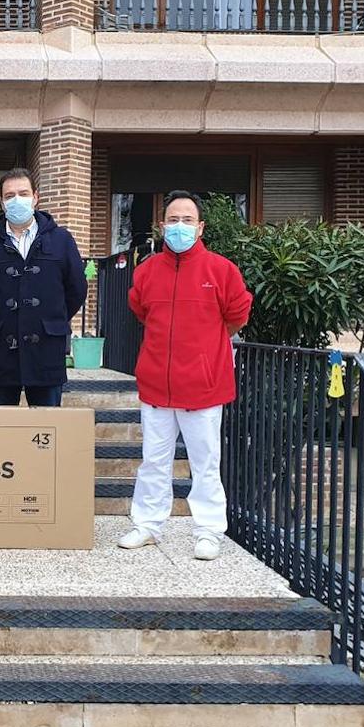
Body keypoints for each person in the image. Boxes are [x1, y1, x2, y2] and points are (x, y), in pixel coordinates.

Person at [118, 190, 252, 561]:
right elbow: (141, 311)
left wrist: (206, 351)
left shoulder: (222, 271)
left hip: (204, 386)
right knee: (153, 461)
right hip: (156, 383)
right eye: (173, 220)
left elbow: (237, 315)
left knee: (205, 463)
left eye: (187, 220)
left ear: (200, 226)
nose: (180, 227)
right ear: (161, 226)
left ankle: (209, 531)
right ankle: (146, 524)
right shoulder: (145, 272)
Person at [0, 168, 87, 407]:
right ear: (1, 202)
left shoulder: (61, 240)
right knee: (0, 432)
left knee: (46, 433)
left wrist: (48, 318)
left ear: (36, 197)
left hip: (46, 350)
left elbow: (76, 290)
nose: (17, 200)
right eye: (10, 195)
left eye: (23, 193)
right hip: (0, 351)